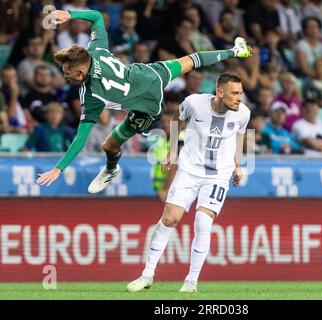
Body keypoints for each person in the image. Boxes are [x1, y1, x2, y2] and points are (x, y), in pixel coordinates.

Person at [36, 9, 252, 189]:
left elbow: (80, 139)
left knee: (109, 146)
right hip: (151, 74)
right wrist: (70, 14)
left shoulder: (91, 94)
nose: (65, 75)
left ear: (81, 73)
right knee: (191, 60)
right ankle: (236, 50)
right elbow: (97, 17)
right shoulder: (96, 49)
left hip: (147, 108)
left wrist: (58, 168)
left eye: (68, 71)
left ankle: (111, 169)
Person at [126, 73, 250, 293]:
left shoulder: (243, 114)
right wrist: (172, 150)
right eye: (235, 93)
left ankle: (191, 282)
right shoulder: (194, 103)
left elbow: (240, 135)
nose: (239, 98)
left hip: (218, 175)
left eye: (240, 93)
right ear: (220, 92)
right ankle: (147, 274)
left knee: (203, 222)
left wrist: (237, 164)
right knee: (169, 219)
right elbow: (176, 119)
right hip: (189, 170)